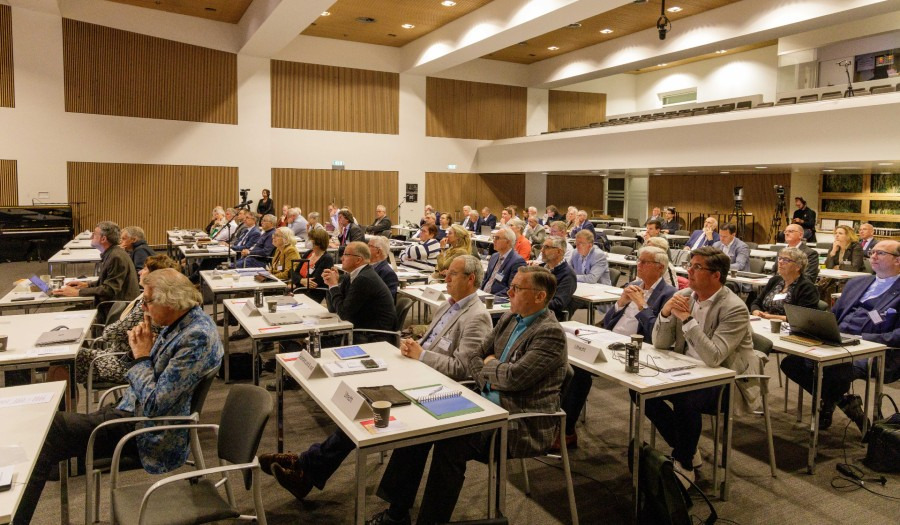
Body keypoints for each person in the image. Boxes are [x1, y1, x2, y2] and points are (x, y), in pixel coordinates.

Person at [261, 256, 491, 503]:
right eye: (447, 273)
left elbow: (463, 368)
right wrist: (414, 347)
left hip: (438, 389)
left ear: (470, 279)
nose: (445, 278)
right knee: (360, 402)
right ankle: (307, 466)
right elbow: (431, 345)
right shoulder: (448, 305)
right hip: (415, 370)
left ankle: (307, 467)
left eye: (452, 274)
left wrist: (421, 354)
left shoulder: (476, 316)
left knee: (368, 409)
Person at [14, 269, 223, 525]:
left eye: (147, 300)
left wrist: (142, 356)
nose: (143, 306)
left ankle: (15, 518)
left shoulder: (196, 336)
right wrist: (139, 351)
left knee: (51, 432)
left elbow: (157, 403)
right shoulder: (178, 323)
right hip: (128, 410)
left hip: (147, 430)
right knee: (47, 430)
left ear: (172, 301)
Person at [367, 266, 567, 525]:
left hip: (518, 419)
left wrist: (490, 366)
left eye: (517, 288)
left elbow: (513, 378)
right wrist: (492, 369)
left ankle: (430, 521)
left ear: (540, 297)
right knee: (421, 424)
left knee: (451, 443)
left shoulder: (549, 333)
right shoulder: (509, 318)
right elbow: (475, 357)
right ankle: (397, 512)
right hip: (482, 400)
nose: (509, 291)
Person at [651, 246, 759, 487]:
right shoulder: (687, 296)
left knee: (686, 398)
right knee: (642, 392)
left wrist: (686, 320)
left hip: (725, 381)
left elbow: (714, 357)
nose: (689, 270)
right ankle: (687, 448)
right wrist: (667, 313)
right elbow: (659, 343)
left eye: (697, 267)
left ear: (716, 275)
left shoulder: (734, 308)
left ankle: (684, 463)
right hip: (687, 370)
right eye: (690, 265)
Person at [556, 246, 676, 449]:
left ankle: (566, 432)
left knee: (579, 372)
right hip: (610, 338)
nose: (639, 265)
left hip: (638, 349)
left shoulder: (668, 294)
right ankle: (560, 427)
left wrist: (641, 305)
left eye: (644, 262)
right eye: (639, 261)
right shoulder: (634, 285)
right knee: (569, 364)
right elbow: (609, 321)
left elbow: (659, 334)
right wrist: (621, 302)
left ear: (660, 267)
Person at [780, 240, 900, 432]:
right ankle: (844, 403)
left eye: (881, 253)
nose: (873, 257)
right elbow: (833, 315)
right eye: (873, 252)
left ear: (898, 260)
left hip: (874, 350)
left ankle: (830, 404)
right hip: (837, 340)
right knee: (792, 363)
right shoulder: (857, 282)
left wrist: (867, 339)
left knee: (835, 370)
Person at [74, 255, 180, 387]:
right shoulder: (148, 299)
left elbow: (109, 334)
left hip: (125, 362)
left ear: (154, 276)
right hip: (121, 356)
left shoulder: (147, 305)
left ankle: (62, 406)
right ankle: (64, 404)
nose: (140, 272)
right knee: (70, 359)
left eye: (145, 269)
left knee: (69, 360)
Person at [53, 221, 140, 306]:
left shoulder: (116, 257)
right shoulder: (113, 253)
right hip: (114, 304)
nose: (91, 237)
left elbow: (110, 290)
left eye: (94, 234)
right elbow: (108, 281)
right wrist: (87, 285)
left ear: (103, 239)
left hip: (115, 309)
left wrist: (77, 292)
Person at [322, 241, 397, 337]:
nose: (342, 258)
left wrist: (333, 286)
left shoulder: (364, 279)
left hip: (372, 335)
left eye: (346, 255)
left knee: (316, 342)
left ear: (358, 260)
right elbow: (333, 308)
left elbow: (343, 314)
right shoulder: (351, 276)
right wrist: (331, 284)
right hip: (359, 328)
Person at [749, 247, 819, 321]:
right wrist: (756, 311)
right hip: (763, 322)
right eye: (780, 258)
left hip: (788, 328)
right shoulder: (774, 280)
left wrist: (769, 317)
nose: (780, 262)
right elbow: (756, 302)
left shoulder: (807, 288)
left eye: (786, 260)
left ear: (798, 266)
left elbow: (802, 318)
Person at [539, 235, 577, 321]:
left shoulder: (567, 275)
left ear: (559, 252)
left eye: (547, 247)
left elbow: (558, 303)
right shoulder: (540, 269)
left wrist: (533, 302)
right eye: (542, 247)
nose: (542, 250)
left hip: (548, 318)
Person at [481, 227, 525, 297]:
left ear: (508, 241)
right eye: (494, 237)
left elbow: (512, 288)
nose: (494, 241)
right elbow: (486, 279)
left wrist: (491, 298)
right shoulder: (494, 256)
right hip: (483, 294)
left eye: (497, 238)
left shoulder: (517, 261)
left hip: (497, 299)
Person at [295, 227, 334, 304]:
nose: (309, 241)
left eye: (311, 239)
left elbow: (315, 282)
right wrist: (301, 280)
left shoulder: (326, 259)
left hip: (312, 293)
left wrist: (298, 280)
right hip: (300, 288)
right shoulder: (308, 253)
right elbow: (294, 273)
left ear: (318, 242)